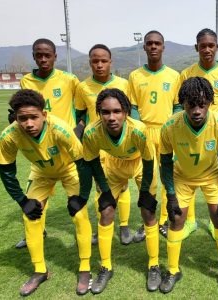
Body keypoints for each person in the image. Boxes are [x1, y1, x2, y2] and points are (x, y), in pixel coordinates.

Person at [0, 89, 92, 296]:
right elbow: (6, 172)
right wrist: (23, 201)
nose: (29, 123)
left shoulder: (60, 129)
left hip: (69, 169)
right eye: (22, 118)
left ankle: (85, 267)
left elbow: (83, 164)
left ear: (44, 115)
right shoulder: (9, 136)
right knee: (30, 217)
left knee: (79, 214)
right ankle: (40, 270)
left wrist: (81, 197)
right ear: (16, 118)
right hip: (41, 173)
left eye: (34, 117)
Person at [159, 77, 218, 296]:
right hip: (182, 177)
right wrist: (171, 195)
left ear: (210, 103)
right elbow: (165, 164)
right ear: (182, 103)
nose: (196, 110)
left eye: (201, 104)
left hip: (211, 176)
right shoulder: (170, 127)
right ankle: (173, 270)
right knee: (176, 220)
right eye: (191, 104)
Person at [81, 88, 160, 293]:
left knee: (148, 211)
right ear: (99, 113)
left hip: (140, 166)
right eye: (105, 112)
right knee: (105, 211)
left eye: (117, 111)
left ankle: (154, 264)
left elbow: (149, 161)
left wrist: (144, 192)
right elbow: (92, 163)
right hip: (114, 167)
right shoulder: (91, 132)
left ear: (126, 112)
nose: (111, 117)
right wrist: (105, 190)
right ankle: (106, 267)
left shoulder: (139, 129)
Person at [14, 38, 80, 249]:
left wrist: (76, 132)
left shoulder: (69, 79)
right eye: (38, 55)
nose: (43, 59)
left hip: (65, 145)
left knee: (80, 196)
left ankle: (84, 233)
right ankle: (36, 230)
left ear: (55, 56)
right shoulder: (26, 81)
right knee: (35, 192)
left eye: (47, 55)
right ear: (34, 56)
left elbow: (82, 109)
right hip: (40, 145)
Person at [178, 28, 218, 238]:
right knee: (190, 171)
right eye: (203, 46)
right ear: (197, 48)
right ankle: (190, 221)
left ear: (217, 47)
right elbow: (181, 104)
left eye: (211, 45)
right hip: (193, 131)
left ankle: (216, 220)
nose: (207, 49)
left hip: (217, 133)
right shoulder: (187, 73)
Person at [75, 44, 137, 245]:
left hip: (119, 142)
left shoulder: (124, 84)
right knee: (100, 188)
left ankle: (124, 226)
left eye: (103, 61)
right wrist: (80, 130)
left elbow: (131, 112)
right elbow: (80, 115)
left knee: (124, 186)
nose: (99, 65)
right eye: (95, 61)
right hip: (96, 144)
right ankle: (103, 226)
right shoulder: (82, 87)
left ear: (111, 62)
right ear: (90, 62)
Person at [128, 31, 182, 239]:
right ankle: (149, 221)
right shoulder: (135, 76)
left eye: (157, 43)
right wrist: (138, 128)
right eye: (149, 43)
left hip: (167, 132)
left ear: (163, 47)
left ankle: (165, 220)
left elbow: (178, 106)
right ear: (144, 47)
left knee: (168, 177)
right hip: (145, 131)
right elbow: (132, 106)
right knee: (147, 179)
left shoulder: (174, 76)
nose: (153, 47)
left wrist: (171, 125)